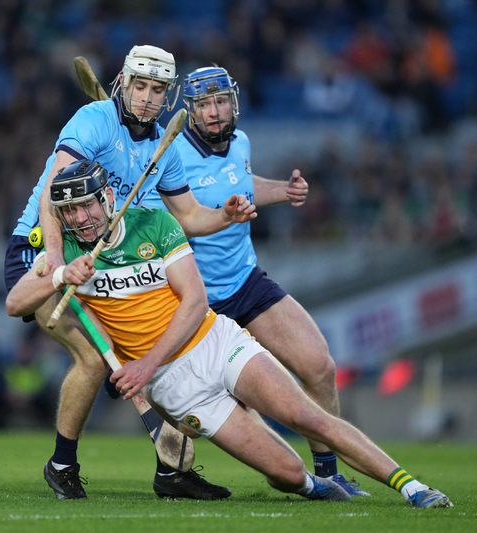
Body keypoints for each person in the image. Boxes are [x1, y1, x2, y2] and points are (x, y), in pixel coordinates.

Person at [6, 160, 453, 508]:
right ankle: (314, 486)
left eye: (87, 204)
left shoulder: (153, 225)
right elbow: (15, 303)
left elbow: (196, 301)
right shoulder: (67, 255)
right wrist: (62, 273)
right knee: (287, 474)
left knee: (309, 418)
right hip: (179, 389)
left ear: (107, 197)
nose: (81, 218)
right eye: (70, 211)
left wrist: (144, 364)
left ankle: (412, 487)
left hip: (217, 344)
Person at [4, 45, 255, 500]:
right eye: (140, 86)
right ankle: (62, 464)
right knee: (95, 355)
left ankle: (172, 473)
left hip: (103, 257)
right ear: (123, 82)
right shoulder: (95, 119)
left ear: (168, 97)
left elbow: (191, 216)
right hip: (43, 247)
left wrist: (228, 216)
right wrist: (58, 263)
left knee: (157, 344)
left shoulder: (164, 147)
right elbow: (52, 194)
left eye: (157, 89)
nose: (146, 97)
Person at [140, 66, 365, 495]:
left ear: (233, 103)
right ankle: (170, 472)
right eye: (203, 105)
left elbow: (240, 182)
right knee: (208, 403)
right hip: (196, 298)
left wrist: (283, 190)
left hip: (245, 280)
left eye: (219, 102)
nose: (213, 112)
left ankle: (329, 472)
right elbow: (158, 224)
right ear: (190, 111)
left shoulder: (240, 142)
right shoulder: (170, 156)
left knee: (319, 366)